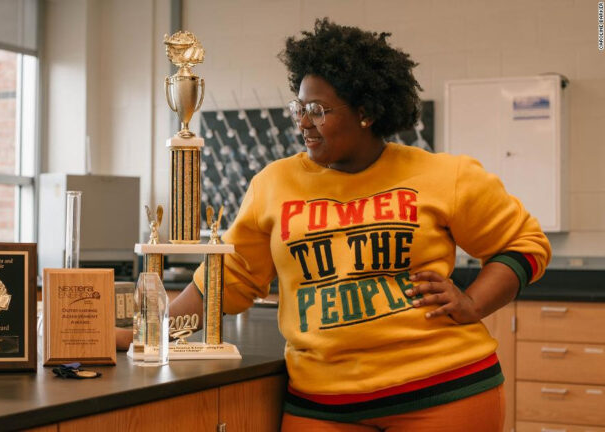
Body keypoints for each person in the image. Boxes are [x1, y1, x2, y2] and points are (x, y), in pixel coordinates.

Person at [117, 18, 551, 432]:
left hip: (444, 393)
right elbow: (227, 278)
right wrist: (147, 334)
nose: (303, 122)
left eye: (318, 110)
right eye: (299, 108)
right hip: (322, 403)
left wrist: (473, 303)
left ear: (366, 112)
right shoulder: (274, 183)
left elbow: (524, 244)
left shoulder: (444, 175)